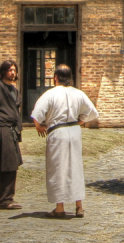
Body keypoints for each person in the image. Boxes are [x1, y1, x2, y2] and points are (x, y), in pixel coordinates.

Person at [31, 64, 99, 218]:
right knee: (76, 167)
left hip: (57, 132)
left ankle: (60, 207)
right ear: (70, 77)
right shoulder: (78, 93)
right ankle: (79, 205)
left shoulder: (50, 94)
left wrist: (39, 127)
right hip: (74, 132)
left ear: (55, 77)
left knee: (58, 169)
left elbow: (36, 114)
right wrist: (79, 122)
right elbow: (93, 113)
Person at [0, 60, 24, 209]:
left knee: (11, 164)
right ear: (3, 72)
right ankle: (1, 200)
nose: (12, 72)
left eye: (14, 70)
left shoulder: (15, 91)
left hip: (11, 130)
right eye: (9, 70)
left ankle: (5, 198)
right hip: (0, 129)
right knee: (0, 164)